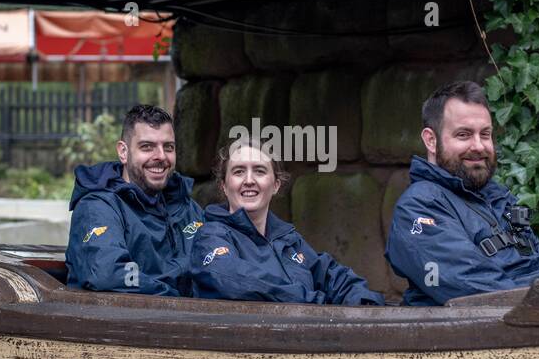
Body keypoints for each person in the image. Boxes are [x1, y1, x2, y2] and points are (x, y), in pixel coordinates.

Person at [385, 80, 539, 305]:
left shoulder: (499, 198)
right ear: (431, 140)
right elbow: (479, 294)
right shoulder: (419, 207)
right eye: (464, 135)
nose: (478, 146)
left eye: (485, 134)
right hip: (469, 335)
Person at [190, 141, 384, 306]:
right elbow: (234, 279)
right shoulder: (211, 237)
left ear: (275, 185)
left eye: (259, 171)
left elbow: (332, 277)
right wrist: (315, 304)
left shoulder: (289, 240)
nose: (249, 180)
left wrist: (365, 304)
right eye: (239, 172)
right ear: (224, 185)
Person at [66, 103, 205, 297]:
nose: (161, 156)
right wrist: (177, 298)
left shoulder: (186, 207)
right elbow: (107, 272)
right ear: (123, 152)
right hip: (119, 323)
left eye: (168, 147)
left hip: (190, 320)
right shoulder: (98, 208)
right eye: (147, 147)